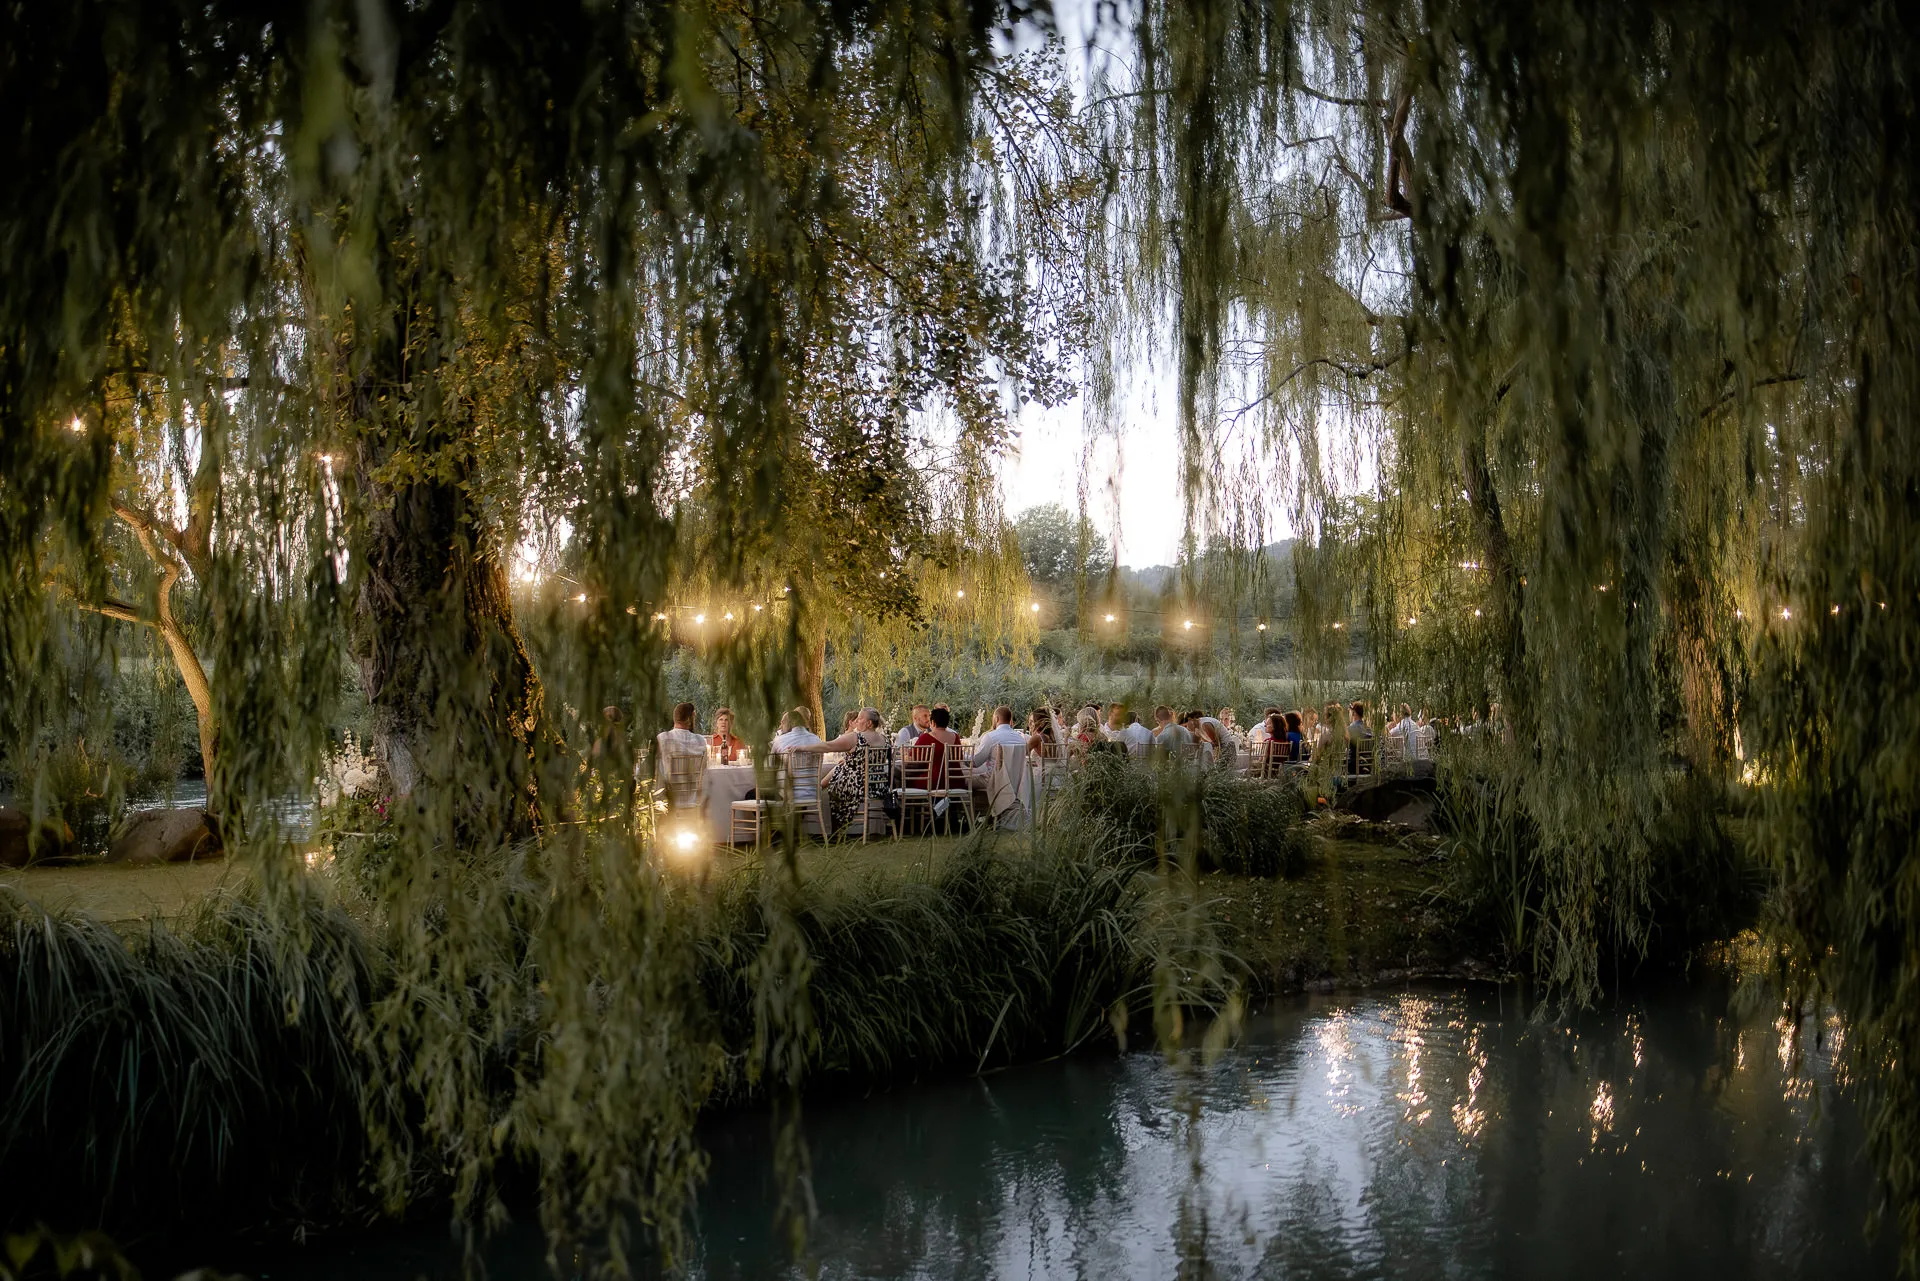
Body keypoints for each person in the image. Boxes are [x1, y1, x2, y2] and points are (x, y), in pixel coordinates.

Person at [819, 708, 891, 834]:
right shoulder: (885, 739)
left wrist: (803, 747)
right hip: (880, 786)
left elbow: (828, 746)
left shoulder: (857, 737)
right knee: (839, 770)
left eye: (860, 718)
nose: (857, 720)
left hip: (860, 786)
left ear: (869, 723)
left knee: (835, 782)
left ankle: (834, 828)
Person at [1346, 700, 1374, 774]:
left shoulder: (1350, 729)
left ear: (1354, 713)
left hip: (1353, 765)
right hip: (1368, 763)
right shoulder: (1369, 729)